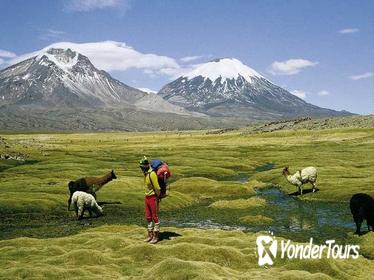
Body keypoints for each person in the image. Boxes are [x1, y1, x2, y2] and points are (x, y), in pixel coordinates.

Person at [139, 156, 161, 244]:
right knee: (148, 216)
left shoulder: (152, 174)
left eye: (142, 167)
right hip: (147, 197)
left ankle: (156, 236)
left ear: (146, 166)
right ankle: (150, 235)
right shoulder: (146, 174)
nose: (141, 169)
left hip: (153, 198)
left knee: (154, 217)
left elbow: (157, 187)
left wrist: (157, 196)